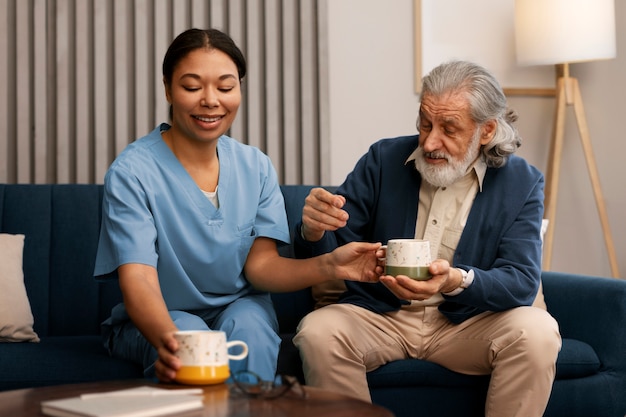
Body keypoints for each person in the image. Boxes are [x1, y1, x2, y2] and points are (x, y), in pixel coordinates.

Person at [93, 28, 381, 384]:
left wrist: (330, 265)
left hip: (240, 308)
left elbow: (261, 268)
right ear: (168, 88)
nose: (211, 100)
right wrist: (171, 342)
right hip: (162, 317)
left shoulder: (255, 166)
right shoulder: (132, 171)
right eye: (192, 87)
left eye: (226, 87)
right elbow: (138, 281)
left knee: (250, 325)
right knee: (192, 337)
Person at [292, 60, 561, 417]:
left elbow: (521, 280)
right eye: (424, 123)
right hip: (382, 317)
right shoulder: (383, 159)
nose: (431, 141)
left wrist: (456, 280)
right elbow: (335, 244)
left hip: (467, 324)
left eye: (449, 128)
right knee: (318, 331)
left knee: (539, 332)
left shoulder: (522, 182)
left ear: (486, 131)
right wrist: (313, 229)